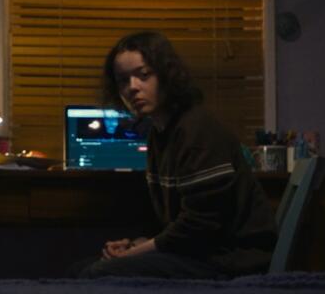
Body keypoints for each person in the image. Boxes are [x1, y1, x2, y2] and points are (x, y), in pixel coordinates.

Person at [76, 31, 277, 279]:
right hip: (197, 252)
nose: (132, 88)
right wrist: (136, 243)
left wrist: (136, 254)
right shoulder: (160, 133)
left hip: (230, 259)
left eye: (144, 75)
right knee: (83, 267)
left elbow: (200, 226)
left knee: (98, 272)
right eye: (122, 80)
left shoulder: (197, 129)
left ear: (166, 74)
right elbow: (176, 224)